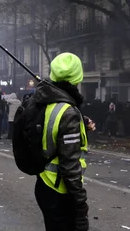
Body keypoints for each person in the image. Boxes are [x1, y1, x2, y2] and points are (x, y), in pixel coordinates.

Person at [33, 52, 94, 231]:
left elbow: (54, 126)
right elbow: (69, 165)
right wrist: (80, 203)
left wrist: (81, 120)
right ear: (77, 78)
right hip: (59, 189)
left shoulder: (45, 102)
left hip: (44, 182)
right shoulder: (68, 112)